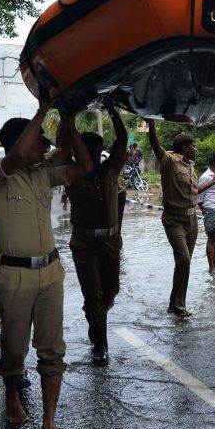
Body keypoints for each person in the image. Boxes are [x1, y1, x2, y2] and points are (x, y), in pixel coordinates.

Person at [0, 100, 93, 429]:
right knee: (14, 346)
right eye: (40, 141)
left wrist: (68, 115)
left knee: (52, 349)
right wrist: (43, 109)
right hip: (13, 275)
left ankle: (49, 422)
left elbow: (82, 162)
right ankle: (12, 394)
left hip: (50, 272)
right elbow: (15, 158)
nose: (46, 146)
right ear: (21, 144)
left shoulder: (42, 172)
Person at [63, 106, 128, 367]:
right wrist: (69, 116)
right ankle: (101, 344)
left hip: (111, 241)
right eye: (85, 150)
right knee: (93, 293)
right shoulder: (71, 173)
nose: (90, 155)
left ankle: (96, 317)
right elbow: (62, 143)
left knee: (111, 291)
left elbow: (122, 140)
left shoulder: (110, 170)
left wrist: (112, 108)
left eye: (95, 150)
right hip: (84, 243)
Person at [145, 120, 215, 318]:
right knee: (184, 258)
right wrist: (151, 125)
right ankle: (177, 304)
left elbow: (194, 192)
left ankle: (176, 303)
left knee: (184, 263)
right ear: (186, 148)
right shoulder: (170, 161)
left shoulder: (190, 166)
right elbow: (156, 146)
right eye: (194, 146)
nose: (196, 149)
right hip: (173, 219)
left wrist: (213, 182)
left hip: (191, 220)